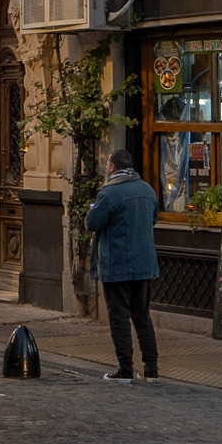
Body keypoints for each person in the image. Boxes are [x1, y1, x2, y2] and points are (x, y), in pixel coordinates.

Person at [85, 147, 159, 384]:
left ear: (112, 167)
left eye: (108, 165)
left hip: (117, 265)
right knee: (142, 316)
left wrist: (92, 210)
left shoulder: (109, 193)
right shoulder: (147, 190)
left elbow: (92, 223)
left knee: (118, 317)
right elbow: (153, 219)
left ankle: (125, 368)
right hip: (145, 263)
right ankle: (152, 369)